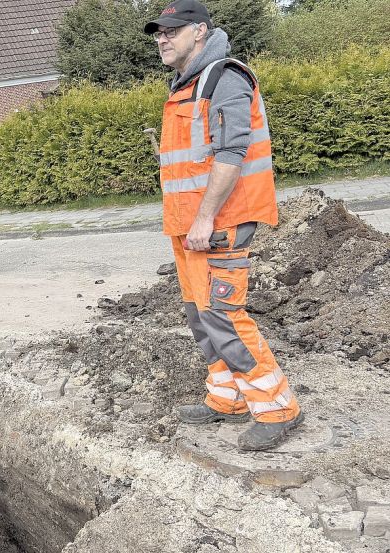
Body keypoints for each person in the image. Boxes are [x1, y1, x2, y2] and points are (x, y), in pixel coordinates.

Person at [144, 0, 304, 450]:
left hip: (219, 223)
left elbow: (231, 155)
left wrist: (205, 216)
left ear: (198, 31)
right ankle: (228, 398)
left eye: (171, 31)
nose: (162, 38)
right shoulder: (188, 84)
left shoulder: (224, 78)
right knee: (200, 314)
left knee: (223, 315)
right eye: (158, 32)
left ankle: (278, 407)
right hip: (190, 226)